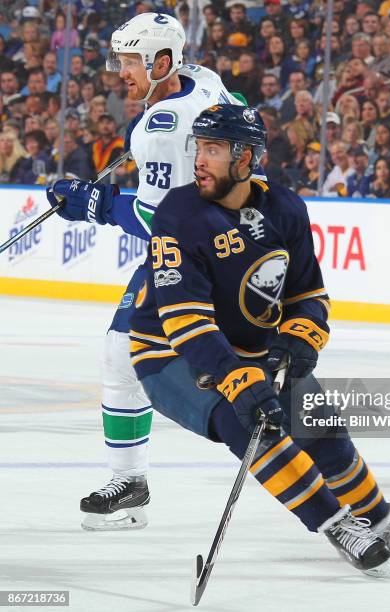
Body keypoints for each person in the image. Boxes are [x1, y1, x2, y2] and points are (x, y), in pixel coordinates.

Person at [128, 103, 390, 574]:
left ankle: (379, 525)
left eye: (213, 149)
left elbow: (309, 294)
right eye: (200, 146)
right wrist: (238, 379)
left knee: (322, 429)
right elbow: (185, 322)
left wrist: (301, 338)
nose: (199, 158)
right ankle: (337, 526)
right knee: (249, 425)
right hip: (170, 354)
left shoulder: (285, 208)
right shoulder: (179, 213)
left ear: (245, 158)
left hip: (248, 350)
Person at [47, 12, 246, 532]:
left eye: (131, 61)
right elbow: (237, 109)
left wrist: (93, 204)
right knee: (122, 351)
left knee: (145, 358)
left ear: (162, 61)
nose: (121, 72)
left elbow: (156, 220)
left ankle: (305, 460)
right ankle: (130, 482)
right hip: (227, 240)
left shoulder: (162, 129)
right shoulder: (203, 81)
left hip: (198, 252)